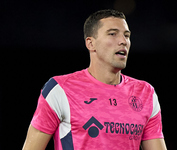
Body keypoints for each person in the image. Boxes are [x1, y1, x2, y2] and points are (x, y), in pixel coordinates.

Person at [22, 9, 167, 150]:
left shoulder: (145, 93)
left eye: (127, 35)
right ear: (91, 44)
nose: (123, 41)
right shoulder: (60, 89)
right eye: (112, 34)